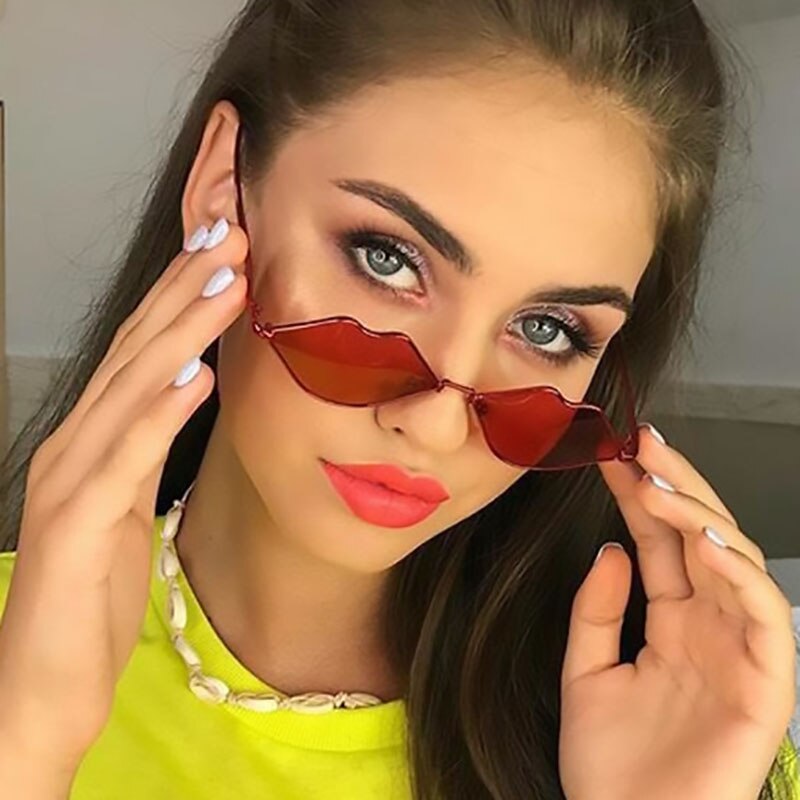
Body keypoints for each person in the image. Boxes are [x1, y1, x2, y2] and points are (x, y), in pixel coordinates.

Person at [0, 0, 797, 798]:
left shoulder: (692, 729)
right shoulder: (16, 641)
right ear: (223, 191)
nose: (440, 422)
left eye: (547, 330)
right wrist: (23, 748)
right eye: (386, 259)